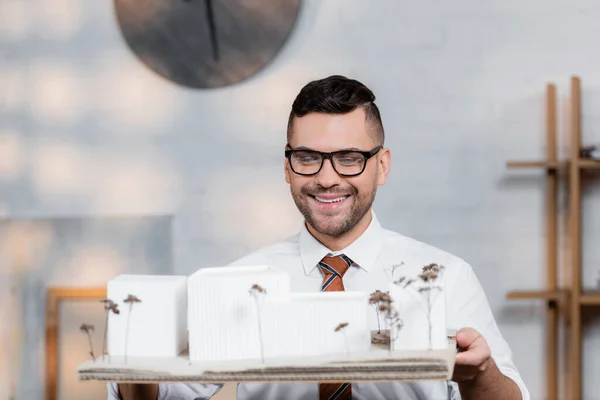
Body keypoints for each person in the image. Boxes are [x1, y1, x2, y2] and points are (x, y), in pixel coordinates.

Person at [109, 75, 529, 400]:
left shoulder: (446, 277)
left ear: (381, 166)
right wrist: (136, 359)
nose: (327, 179)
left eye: (349, 158)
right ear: (288, 167)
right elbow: (163, 395)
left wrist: (480, 374)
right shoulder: (240, 281)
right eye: (308, 158)